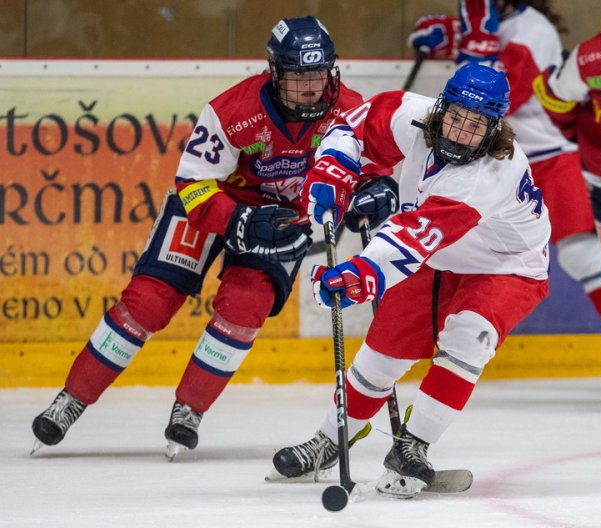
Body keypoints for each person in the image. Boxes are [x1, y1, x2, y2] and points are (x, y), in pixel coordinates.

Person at [30, 16, 399, 459]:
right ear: (275, 72)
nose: (310, 87)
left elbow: (371, 163)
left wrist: (377, 188)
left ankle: (189, 410)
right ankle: (71, 398)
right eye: (299, 76)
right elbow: (194, 184)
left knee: (245, 308)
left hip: (284, 218)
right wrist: (238, 220)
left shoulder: (350, 110)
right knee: (148, 301)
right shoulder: (232, 110)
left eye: (318, 75)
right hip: (215, 205)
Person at [268, 63, 551, 498]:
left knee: (468, 337)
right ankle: (331, 439)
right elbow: (354, 125)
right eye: (456, 116)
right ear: (442, 108)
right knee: (383, 351)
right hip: (437, 255)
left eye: (476, 125)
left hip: (505, 264)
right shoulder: (412, 115)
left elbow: (412, 237)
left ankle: (411, 448)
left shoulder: (491, 174)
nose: (460, 131)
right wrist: (334, 168)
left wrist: (362, 271)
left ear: (494, 130)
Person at [408, 0, 601, 392]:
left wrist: (474, 43)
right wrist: (454, 34)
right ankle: (454, 342)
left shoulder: (532, 30)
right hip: (497, 161)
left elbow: (500, 98)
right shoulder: (493, 23)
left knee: (581, 252)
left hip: (547, 155)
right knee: (458, 246)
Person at [533, 0, 601, 391]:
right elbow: (554, 96)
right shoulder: (597, 58)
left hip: (560, 159)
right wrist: (580, 135)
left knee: (582, 252)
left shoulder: (529, 29)